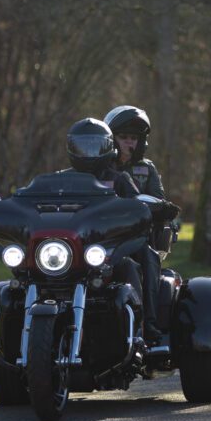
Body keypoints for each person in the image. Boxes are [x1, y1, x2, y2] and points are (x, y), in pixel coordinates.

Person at [65, 117, 177, 344]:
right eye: (84, 146)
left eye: (95, 146)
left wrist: (158, 208)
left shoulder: (122, 178)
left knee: (139, 260)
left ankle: (145, 323)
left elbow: (141, 203)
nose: (89, 152)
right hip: (75, 245)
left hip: (116, 244)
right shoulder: (63, 179)